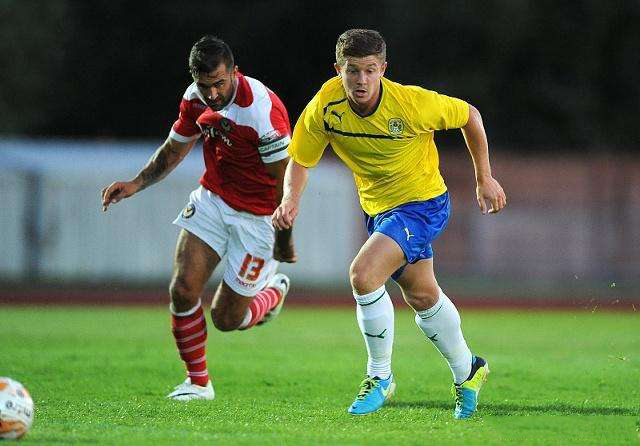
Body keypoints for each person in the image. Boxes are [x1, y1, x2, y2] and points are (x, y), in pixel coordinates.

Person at [272, 29, 506, 419]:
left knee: (363, 274)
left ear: (383, 69)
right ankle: (469, 369)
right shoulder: (325, 107)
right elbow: (301, 159)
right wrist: (290, 200)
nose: (361, 80)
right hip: (379, 211)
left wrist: (484, 178)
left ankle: (379, 377)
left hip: (423, 205)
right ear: (338, 70)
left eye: (369, 70)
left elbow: (471, 116)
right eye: (352, 71)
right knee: (422, 295)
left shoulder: (411, 104)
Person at [101, 35, 297, 401]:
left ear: (234, 72)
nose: (212, 94)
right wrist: (135, 184)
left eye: (219, 83)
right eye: (205, 85)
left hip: (258, 218)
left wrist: (283, 242)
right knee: (182, 289)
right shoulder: (194, 98)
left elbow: (282, 184)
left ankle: (272, 293)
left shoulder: (261, 110)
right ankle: (198, 383)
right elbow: (174, 150)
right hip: (213, 201)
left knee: (226, 319)